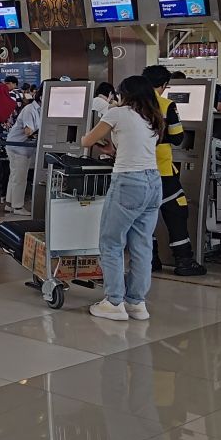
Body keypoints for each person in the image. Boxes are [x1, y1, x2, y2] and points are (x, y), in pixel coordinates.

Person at [82, 76, 164, 321]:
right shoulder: (153, 117)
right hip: (153, 183)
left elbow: (86, 140)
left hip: (128, 182)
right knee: (141, 245)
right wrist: (112, 149)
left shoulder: (118, 113)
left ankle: (114, 301)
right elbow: (136, 146)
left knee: (111, 242)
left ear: (124, 94)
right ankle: (136, 303)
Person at [141, 65, 206, 276]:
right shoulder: (167, 105)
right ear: (164, 85)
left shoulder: (130, 105)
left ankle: (150, 259)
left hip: (138, 168)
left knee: (145, 216)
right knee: (176, 212)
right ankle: (184, 261)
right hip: (162, 168)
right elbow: (177, 138)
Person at [4, 84, 42, 215]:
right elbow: (28, 131)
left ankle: (9, 204)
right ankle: (18, 207)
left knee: (14, 176)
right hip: (18, 147)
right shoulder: (30, 110)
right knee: (20, 177)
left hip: (20, 147)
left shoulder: (38, 110)